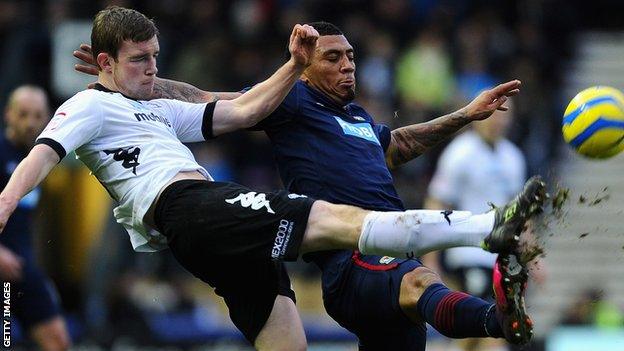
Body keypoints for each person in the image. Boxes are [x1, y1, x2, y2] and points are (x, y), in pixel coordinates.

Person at [68, 15, 545, 349]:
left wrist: (464, 115)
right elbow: (207, 98)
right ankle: (496, 316)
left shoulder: (357, 116)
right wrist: (129, 78)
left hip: (394, 252)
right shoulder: (293, 102)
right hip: (350, 262)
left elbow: (396, 146)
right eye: (333, 57)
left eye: (351, 57)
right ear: (309, 66)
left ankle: (494, 316)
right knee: (422, 282)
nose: (347, 66)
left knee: (415, 293)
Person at [424, 98, 527, 351]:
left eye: (504, 115)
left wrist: (532, 256)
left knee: (493, 330)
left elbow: (519, 213)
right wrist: (431, 258)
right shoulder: (460, 153)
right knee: (480, 323)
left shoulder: (514, 157)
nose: (498, 120)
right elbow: (436, 202)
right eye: (494, 114)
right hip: (467, 254)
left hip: (502, 258)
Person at [0, 85, 71, 350]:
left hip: (23, 269)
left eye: (38, 115)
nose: (31, 123)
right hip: (2, 270)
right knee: (7, 341)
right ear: (8, 114)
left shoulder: (40, 158)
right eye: (23, 114)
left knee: (57, 341)